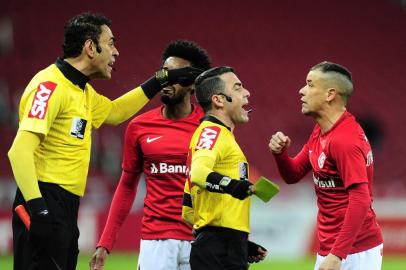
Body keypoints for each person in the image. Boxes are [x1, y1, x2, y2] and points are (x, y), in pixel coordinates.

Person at [7, 13, 202, 270]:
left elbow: (115, 112)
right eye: (110, 43)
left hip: (64, 206)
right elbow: (19, 151)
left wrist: (161, 78)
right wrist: (39, 209)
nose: (116, 52)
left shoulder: (82, 91)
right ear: (90, 47)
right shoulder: (50, 86)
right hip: (43, 200)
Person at [89, 40, 211, 270]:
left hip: (199, 239)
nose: (166, 80)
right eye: (164, 73)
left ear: (193, 84)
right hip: (156, 242)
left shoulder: (209, 127)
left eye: (175, 74)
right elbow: (126, 186)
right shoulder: (139, 126)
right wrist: (105, 242)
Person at [268, 61, 383, 270]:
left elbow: (361, 199)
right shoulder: (322, 131)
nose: (301, 91)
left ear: (330, 94)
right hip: (333, 248)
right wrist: (280, 154)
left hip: (354, 252)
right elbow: (293, 174)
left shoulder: (344, 140)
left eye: (310, 85)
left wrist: (337, 255)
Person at [182, 66, 267, 270]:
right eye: (238, 88)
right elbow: (199, 173)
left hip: (221, 247)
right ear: (218, 100)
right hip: (218, 250)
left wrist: (236, 242)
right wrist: (233, 186)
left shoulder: (219, 137)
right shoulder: (212, 132)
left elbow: (187, 212)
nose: (247, 92)